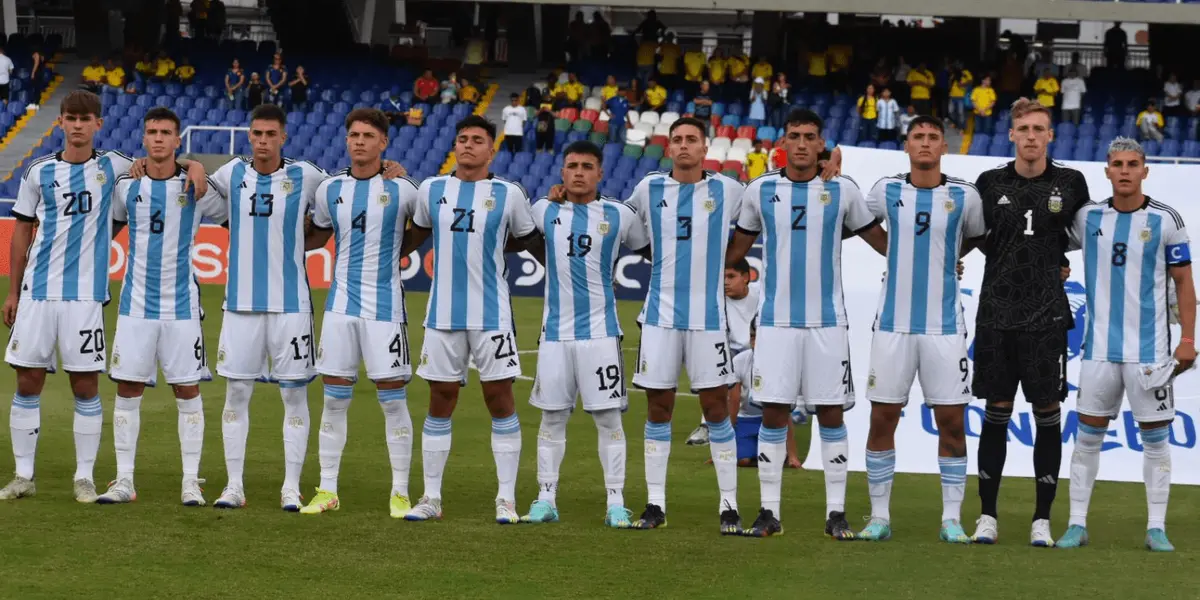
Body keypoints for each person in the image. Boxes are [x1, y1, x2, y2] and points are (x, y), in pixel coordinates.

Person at [727, 108, 888, 538]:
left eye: (810, 137)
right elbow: (733, 252)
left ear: (822, 144)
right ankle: (768, 511)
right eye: (794, 135)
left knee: (831, 414)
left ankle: (836, 512)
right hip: (776, 323)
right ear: (783, 141)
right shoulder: (760, 190)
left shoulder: (843, 190)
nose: (801, 143)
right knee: (774, 413)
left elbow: (886, 244)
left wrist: (940, 262)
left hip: (828, 323)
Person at [400, 115, 545, 524]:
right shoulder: (432, 189)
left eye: (477, 140)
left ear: (491, 148)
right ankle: (431, 497)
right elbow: (417, 234)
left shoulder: (509, 194)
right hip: (442, 315)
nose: (468, 146)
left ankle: (506, 499)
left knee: (499, 400)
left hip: (493, 315)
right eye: (462, 139)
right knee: (440, 401)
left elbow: (528, 240)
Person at [1057, 137, 1194, 553]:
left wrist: (1187, 339)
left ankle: (1156, 528)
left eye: (1133, 163)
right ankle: (1076, 525)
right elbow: (1044, 244)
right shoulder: (1089, 217)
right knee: (1087, 438)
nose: (1125, 170)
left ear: (1145, 170)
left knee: (1155, 438)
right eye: (1117, 163)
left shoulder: (1167, 219)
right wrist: (1058, 266)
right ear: (1107, 171)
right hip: (1098, 350)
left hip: (1150, 352)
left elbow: (1185, 283)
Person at [967, 98, 1091, 547]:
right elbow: (976, 235)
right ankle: (987, 516)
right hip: (997, 315)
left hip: (1047, 318)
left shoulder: (1071, 183)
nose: (1032, 135)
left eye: (1040, 128)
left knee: (1047, 414)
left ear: (1051, 135)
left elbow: (1084, 234)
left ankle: (1042, 519)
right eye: (1025, 128)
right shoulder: (989, 182)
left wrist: (1055, 261)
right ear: (1012, 135)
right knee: (996, 411)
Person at [0, 91, 135, 502]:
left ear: (98, 124)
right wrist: (12, 292)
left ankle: (84, 477)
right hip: (37, 294)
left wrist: (196, 166)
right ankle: (24, 475)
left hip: (84, 298)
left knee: (85, 385)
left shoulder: (114, 166)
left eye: (85, 119)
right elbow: (22, 230)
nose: (77, 125)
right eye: (71, 118)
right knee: (28, 380)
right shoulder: (38, 172)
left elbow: (160, 165)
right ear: (60, 122)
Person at [856, 116, 985, 544]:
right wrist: (893, 250)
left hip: (945, 328)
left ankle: (951, 519)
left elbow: (978, 237)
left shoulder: (965, 195)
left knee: (951, 422)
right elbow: (856, 221)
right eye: (918, 138)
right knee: (882, 418)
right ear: (907, 146)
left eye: (933, 138)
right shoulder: (885, 189)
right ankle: (879, 517)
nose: (926, 144)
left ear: (943, 147)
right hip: (892, 326)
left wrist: (946, 255)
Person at [95, 107, 226, 506]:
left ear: (177, 140)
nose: (157, 138)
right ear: (143, 138)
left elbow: (231, 213)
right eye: (151, 131)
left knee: (187, 390)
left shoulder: (197, 188)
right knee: (128, 389)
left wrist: (196, 166)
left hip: (182, 307)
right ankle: (124, 480)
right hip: (135, 306)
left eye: (165, 132)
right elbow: (111, 224)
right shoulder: (125, 186)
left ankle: (190, 480)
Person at [622, 117, 747, 534]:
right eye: (676, 140)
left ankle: (729, 504)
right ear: (669, 147)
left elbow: (759, 221)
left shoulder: (729, 189)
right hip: (659, 317)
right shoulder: (648, 188)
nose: (683, 146)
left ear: (705, 146)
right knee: (659, 407)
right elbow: (628, 232)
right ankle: (655, 502)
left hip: (709, 320)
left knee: (715, 409)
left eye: (691, 139)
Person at [206, 104, 329, 511]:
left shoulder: (307, 175)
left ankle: (291, 485)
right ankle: (234, 485)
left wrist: (389, 173)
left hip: (291, 306)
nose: (262, 141)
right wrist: (189, 164)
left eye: (270, 134)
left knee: (294, 395)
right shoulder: (230, 173)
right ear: (249, 137)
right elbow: (197, 183)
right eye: (256, 134)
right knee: (236, 393)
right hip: (240, 305)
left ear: (283, 137)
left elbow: (341, 196)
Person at [299, 108, 421, 518]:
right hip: (339, 308)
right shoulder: (330, 189)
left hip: (385, 309)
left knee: (393, 401)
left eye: (369, 136)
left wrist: (397, 253)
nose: (360, 141)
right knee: (334, 400)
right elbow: (316, 231)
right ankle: (327, 489)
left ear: (383, 142)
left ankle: (400, 492)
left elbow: (423, 227)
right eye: (354, 135)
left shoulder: (405, 189)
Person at [521, 141, 647, 527]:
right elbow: (523, 237)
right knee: (552, 418)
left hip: (601, 334)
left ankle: (615, 503)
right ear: (562, 173)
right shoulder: (543, 209)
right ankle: (545, 498)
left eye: (587, 166)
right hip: (555, 335)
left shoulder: (620, 215)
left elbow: (652, 251)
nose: (578, 172)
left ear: (600, 173)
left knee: (609, 419)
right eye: (571, 165)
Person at [948, 65, 973, 130]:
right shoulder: (954, 74)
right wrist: (950, 85)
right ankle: (956, 123)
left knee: (961, 113)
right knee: (951, 112)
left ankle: (962, 128)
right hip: (952, 96)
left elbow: (970, 80)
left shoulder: (965, 72)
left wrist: (962, 85)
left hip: (960, 96)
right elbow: (950, 82)